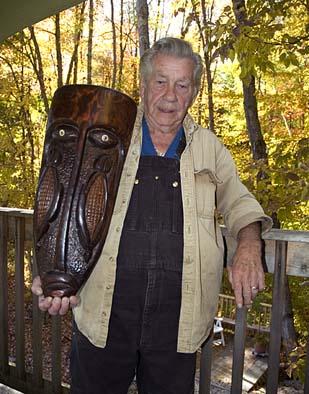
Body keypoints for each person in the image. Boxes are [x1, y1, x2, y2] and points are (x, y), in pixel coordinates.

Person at [32, 37, 272, 394]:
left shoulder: (209, 146)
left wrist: (249, 244)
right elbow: (59, 201)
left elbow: (239, 201)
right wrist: (52, 273)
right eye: (160, 81)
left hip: (177, 321)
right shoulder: (109, 134)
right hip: (103, 312)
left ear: (193, 92)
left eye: (182, 84)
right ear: (144, 86)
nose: (170, 95)